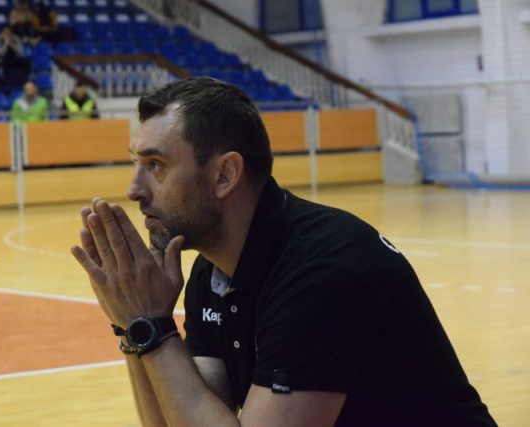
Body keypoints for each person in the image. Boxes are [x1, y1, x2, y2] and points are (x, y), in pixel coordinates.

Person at [70, 78, 498, 427]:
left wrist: (152, 328)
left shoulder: (325, 267)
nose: (134, 189)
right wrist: (133, 324)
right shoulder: (212, 271)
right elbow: (175, 419)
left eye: (156, 166)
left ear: (224, 175)